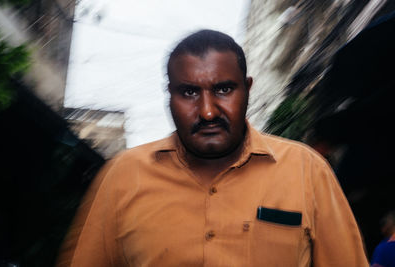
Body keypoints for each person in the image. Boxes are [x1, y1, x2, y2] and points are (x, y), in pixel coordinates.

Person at [56, 30, 368, 266]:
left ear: (247, 89)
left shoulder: (307, 171)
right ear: (170, 96)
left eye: (223, 89)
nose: (207, 111)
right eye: (189, 92)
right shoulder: (123, 177)